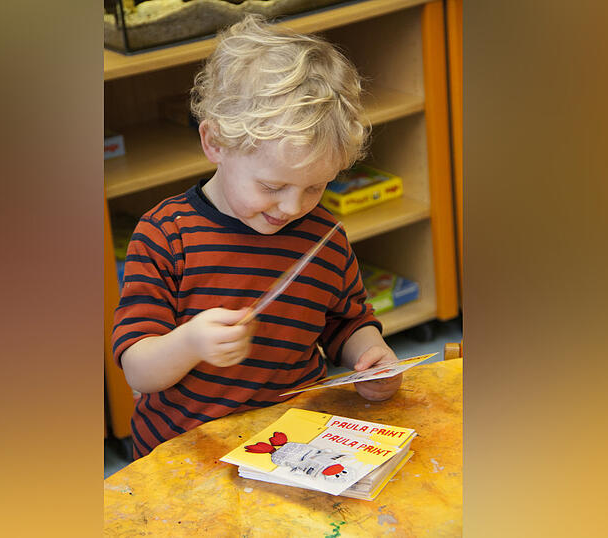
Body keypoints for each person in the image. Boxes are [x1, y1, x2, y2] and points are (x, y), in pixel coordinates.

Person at [112, 15, 402, 459]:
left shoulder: (325, 236)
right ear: (215, 143)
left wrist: (372, 355)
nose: (292, 207)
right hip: (182, 454)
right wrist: (189, 342)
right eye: (271, 186)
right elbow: (138, 371)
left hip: (290, 443)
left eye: (315, 187)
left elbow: (346, 322)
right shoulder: (165, 235)